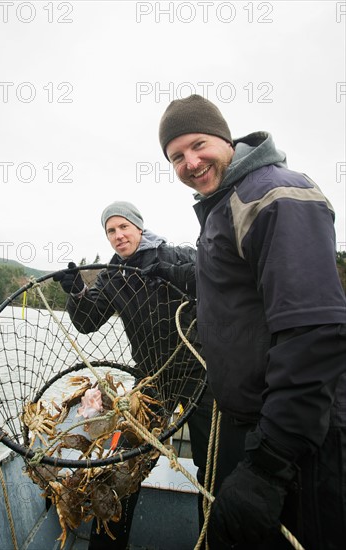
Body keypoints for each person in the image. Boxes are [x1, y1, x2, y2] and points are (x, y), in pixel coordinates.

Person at [158, 94, 346, 550]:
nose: (191, 162)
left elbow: (314, 334)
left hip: (300, 442)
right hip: (250, 423)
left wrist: (269, 467)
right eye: (176, 157)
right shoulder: (223, 206)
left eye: (198, 144)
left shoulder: (272, 195)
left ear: (226, 140)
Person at [54, 201, 213, 550]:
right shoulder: (112, 276)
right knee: (124, 467)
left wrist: (173, 273)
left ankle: (210, 540)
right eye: (111, 230)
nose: (118, 235)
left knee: (212, 465)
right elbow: (87, 322)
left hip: (200, 374)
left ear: (139, 227)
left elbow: (214, 281)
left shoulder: (174, 255)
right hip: (152, 381)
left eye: (124, 227)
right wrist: (77, 291)